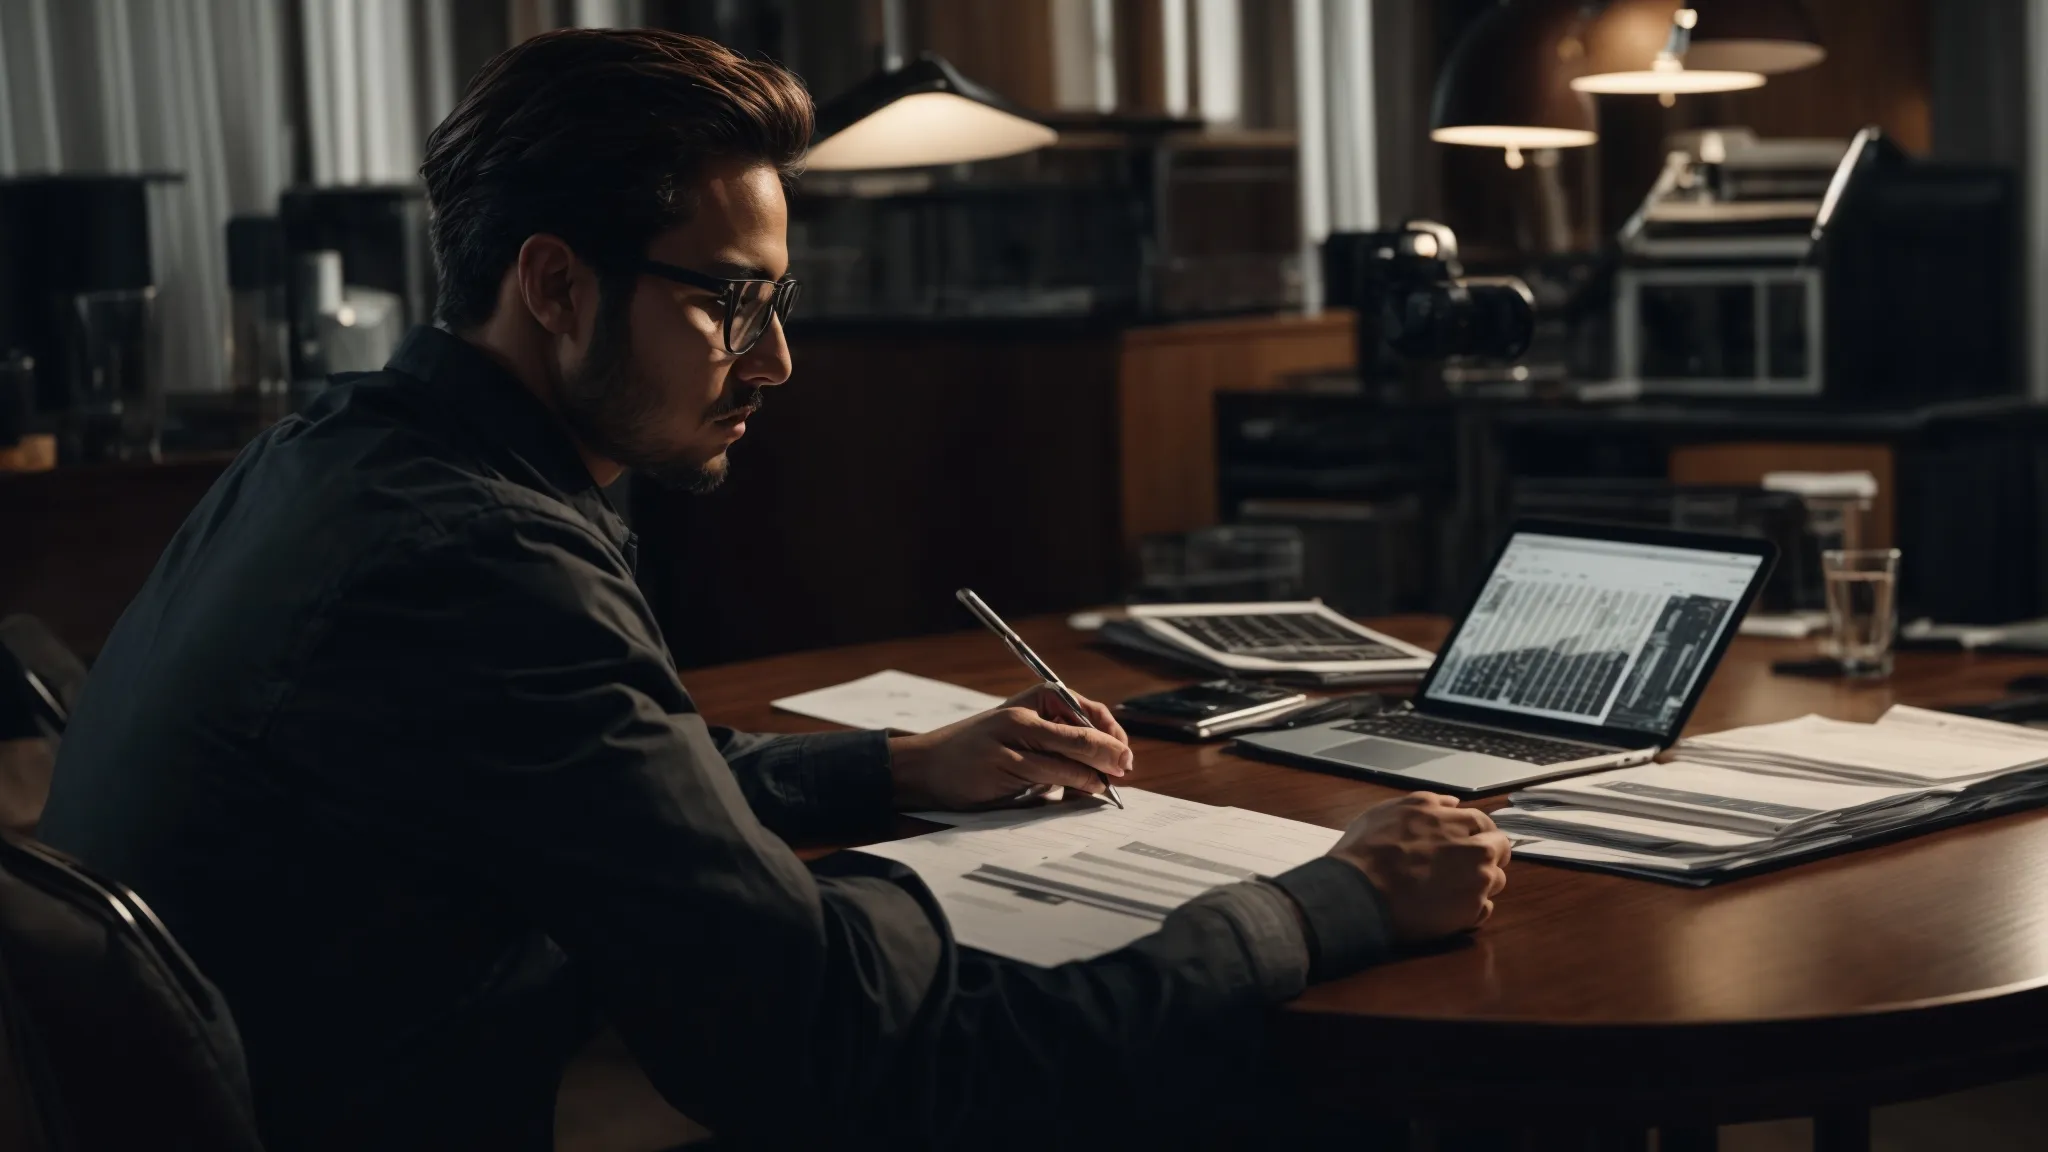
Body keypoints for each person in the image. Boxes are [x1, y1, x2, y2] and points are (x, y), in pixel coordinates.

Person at [38, 28, 1510, 1152]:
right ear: (554, 286)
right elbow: (844, 1058)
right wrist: (1329, 901)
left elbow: (579, 774)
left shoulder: (341, 451)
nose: (776, 362)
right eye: (731, 300)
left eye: (777, 300)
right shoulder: (475, 559)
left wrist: (890, 767)